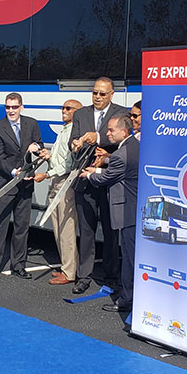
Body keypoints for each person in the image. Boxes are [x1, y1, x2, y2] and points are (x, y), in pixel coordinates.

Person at [69, 77, 129, 294]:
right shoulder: (81, 114)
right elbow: (72, 140)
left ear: (112, 94)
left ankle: (111, 276)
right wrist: (76, 144)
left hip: (109, 182)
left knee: (112, 233)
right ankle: (83, 276)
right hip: (85, 182)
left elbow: (124, 140)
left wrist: (99, 137)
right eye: (95, 92)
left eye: (102, 94)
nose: (97, 97)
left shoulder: (122, 113)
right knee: (86, 232)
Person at [0, 92, 47, 281]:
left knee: (22, 227)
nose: (11, 110)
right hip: (6, 182)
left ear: (21, 107)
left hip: (26, 184)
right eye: (7, 107)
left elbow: (39, 143)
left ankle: (19, 265)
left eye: (14, 107)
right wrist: (14, 172)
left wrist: (37, 147)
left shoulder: (32, 124)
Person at [81, 114, 139, 313]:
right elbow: (118, 171)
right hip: (138, 210)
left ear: (124, 131)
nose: (107, 133)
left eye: (111, 130)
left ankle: (126, 300)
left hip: (128, 211)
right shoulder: (133, 146)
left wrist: (89, 175)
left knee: (129, 259)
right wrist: (98, 170)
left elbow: (106, 178)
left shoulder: (122, 154)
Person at [35, 99, 81, 285]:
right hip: (57, 182)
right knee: (58, 227)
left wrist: (46, 174)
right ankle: (65, 267)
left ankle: (70, 272)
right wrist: (49, 157)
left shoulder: (72, 132)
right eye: (63, 107)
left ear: (77, 112)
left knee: (66, 229)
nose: (64, 110)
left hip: (65, 183)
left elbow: (67, 165)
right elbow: (59, 160)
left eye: (68, 108)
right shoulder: (64, 130)